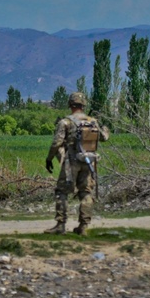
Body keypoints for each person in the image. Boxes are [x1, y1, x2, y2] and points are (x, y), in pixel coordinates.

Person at [44, 92, 108, 235]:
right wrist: (104, 128)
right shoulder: (92, 121)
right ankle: (84, 226)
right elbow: (104, 138)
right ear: (83, 105)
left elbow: (56, 143)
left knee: (62, 192)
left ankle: (60, 225)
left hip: (71, 162)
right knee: (86, 192)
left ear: (70, 105)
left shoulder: (65, 122)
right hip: (89, 162)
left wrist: (49, 159)